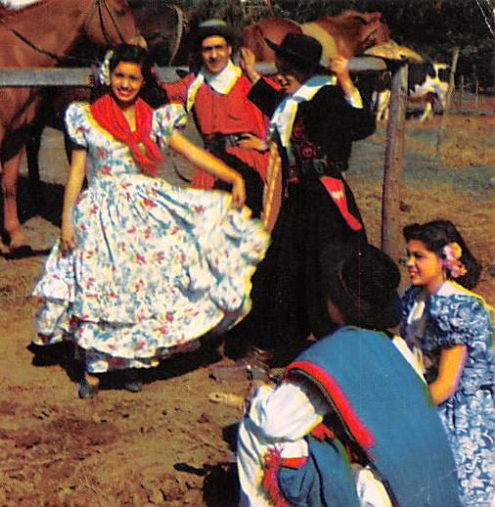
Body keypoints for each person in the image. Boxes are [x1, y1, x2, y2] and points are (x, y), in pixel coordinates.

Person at [32, 44, 269, 399]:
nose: (124, 84)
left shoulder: (153, 119)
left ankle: (132, 363)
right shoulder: (88, 117)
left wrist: (233, 177)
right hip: (100, 213)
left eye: (132, 78)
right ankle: (94, 369)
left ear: (143, 82)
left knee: (141, 289)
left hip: (143, 212)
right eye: (119, 76)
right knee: (103, 291)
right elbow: (76, 173)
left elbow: (192, 153)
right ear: (109, 76)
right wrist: (66, 222)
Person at [237, 243, 462, 506]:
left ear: (337, 299)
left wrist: (260, 396)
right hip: (432, 493)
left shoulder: (333, 357)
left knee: (256, 431)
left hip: (379, 495)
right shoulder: (399, 349)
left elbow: (273, 422)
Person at [238, 33, 375, 361]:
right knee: (283, 263)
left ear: (304, 72)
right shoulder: (291, 98)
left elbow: (362, 125)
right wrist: (252, 76)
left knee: (327, 267)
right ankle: (278, 342)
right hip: (296, 197)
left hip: (325, 199)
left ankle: (340, 342)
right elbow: (277, 109)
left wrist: (344, 81)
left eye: (287, 70)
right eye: (279, 69)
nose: (280, 75)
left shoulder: (325, 98)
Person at [400, 220, 494, 505]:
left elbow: (445, 385)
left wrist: (401, 415)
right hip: (427, 402)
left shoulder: (457, 308)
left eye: (419, 256)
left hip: (460, 415)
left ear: (444, 261)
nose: (410, 263)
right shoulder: (414, 298)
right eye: (409, 255)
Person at [164, 19, 268, 218]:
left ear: (230, 49)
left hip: (249, 164)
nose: (213, 55)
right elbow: (160, 94)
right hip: (212, 166)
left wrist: (265, 145)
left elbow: (283, 113)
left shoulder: (247, 81)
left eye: (219, 48)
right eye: (207, 49)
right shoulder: (193, 84)